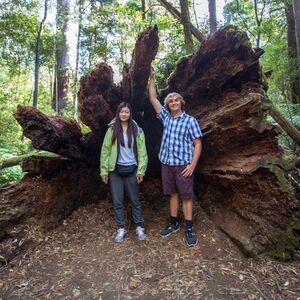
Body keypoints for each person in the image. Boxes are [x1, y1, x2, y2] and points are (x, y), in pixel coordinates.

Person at [148, 66, 203, 247]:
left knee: (186, 196)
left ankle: (188, 228)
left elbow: (198, 144)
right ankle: (173, 223)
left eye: (176, 100)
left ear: (181, 102)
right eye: (170, 100)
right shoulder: (166, 117)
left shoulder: (190, 120)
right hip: (167, 164)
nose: (173, 102)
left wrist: (193, 165)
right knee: (172, 194)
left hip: (183, 165)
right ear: (168, 105)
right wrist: (152, 77)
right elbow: (152, 98)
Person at [100, 102, 148, 243]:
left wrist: (141, 170)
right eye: (121, 112)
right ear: (118, 113)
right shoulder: (112, 130)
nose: (124, 114)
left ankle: (139, 226)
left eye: (126, 112)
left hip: (132, 169)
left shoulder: (137, 130)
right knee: (118, 201)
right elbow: (105, 150)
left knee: (135, 199)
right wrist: (104, 171)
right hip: (115, 170)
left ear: (130, 113)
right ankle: (121, 228)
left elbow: (142, 152)